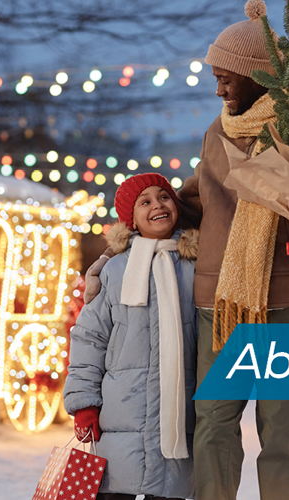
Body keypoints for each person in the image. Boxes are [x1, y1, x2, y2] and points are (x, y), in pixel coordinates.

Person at [87, 2, 289, 498]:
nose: (218, 89)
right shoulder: (218, 134)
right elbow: (188, 206)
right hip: (221, 306)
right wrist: (120, 249)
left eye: (225, 79)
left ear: (257, 76)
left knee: (282, 431)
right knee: (213, 422)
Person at [64, 173, 200, 500]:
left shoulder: (197, 266)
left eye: (164, 196)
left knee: (168, 492)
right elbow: (89, 339)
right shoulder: (115, 271)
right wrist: (84, 404)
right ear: (131, 219)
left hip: (179, 414)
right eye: (146, 202)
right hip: (121, 417)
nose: (158, 205)